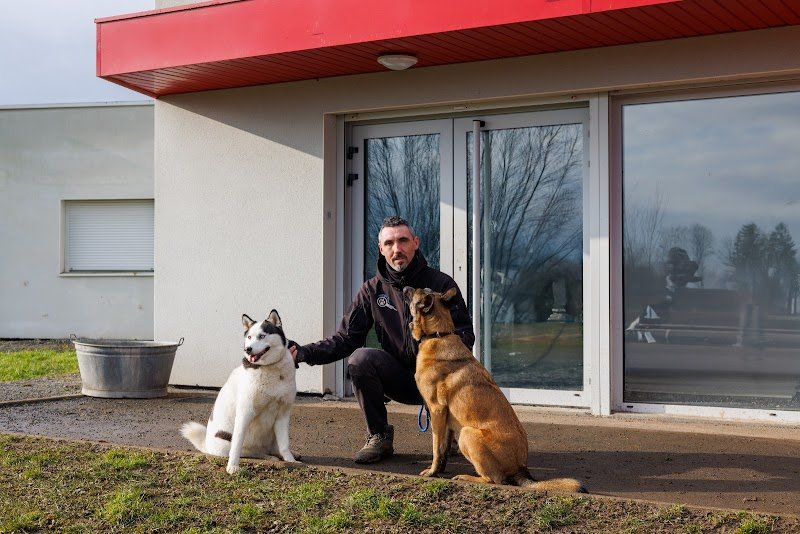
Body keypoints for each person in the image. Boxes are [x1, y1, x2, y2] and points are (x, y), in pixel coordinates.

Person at [289, 216, 474, 464]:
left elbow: (466, 336)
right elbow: (345, 338)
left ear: (415, 243)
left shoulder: (441, 284)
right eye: (389, 243)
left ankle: (452, 428)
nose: (397, 249)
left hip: (441, 380)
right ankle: (379, 435)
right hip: (403, 379)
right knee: (360, 359)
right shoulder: (371, 291)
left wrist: (436, 365)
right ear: (381, 249)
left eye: (403, 240)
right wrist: (303, 353)